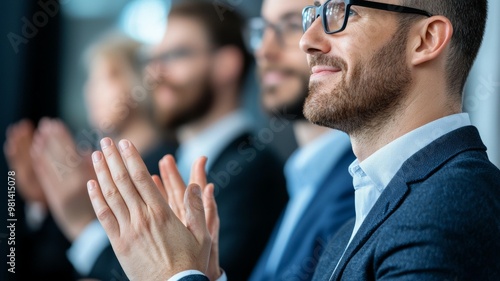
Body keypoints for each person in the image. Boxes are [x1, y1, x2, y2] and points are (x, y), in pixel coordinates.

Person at [85, 0, 500, 280]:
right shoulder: (367, 208)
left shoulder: (452, 204)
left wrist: (177, 275)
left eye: (342, 13)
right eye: (312, 15)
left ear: (425, 40)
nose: (307, 41)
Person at [75, 2, 288, 280]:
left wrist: (79, 224)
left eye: (175, 55)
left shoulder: (255, 171)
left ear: (226, 65)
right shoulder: (159, 160)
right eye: (151, 59)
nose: (155, 73)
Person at [4, 32, 174, 280]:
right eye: (90, 79)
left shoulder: (168, 163)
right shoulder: (91, 166)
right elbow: (51, 264)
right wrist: (43, 201)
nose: (91, 89)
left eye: (107, 76)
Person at [248, 0, 355, 280]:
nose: (264, 50)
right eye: (264, 30)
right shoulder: (303, 178)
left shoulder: (359, 183)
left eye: (293, 25)